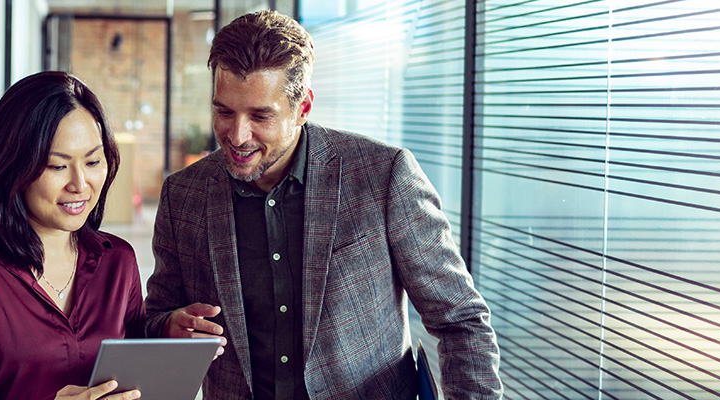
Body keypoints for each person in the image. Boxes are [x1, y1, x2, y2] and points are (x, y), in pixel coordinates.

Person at [142, 10, 502, 400]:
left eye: (260, 115)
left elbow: (460, 319)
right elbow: (153, 319)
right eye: (224, 112)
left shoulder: (384, 176)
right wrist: (168, 326)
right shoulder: (184, 196)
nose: (237, 134)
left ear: (304, 108)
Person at [0, 71, 149, 400]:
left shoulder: (118, 263)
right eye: (58, 166)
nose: (80, 184)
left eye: (93, 161)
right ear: (14, 166)